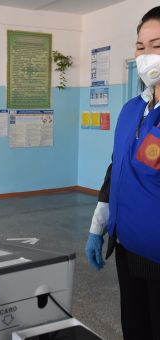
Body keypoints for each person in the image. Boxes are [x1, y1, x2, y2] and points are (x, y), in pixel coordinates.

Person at [85, 6, 160, 340]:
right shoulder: (132, 109)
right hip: (127, 245)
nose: (146, 56)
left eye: (157, 46)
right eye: (140, 47)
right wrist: (98, 227)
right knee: (134, 328)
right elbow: (117, 169)